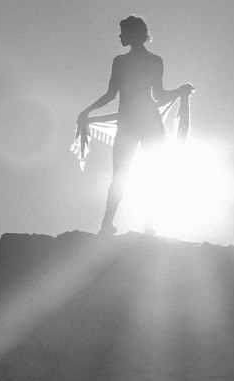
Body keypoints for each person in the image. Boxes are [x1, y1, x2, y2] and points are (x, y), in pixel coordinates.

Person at [76, 16, 194, 236]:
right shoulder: (153, 60)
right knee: (147, 173)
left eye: (123, 31)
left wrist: (87, 111)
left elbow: (112, 95)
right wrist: (179, 91)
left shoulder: (121, 62)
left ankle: (109, 227)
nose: (120, 35)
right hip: (146, 121)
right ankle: (140, 226)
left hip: (131, 123)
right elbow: (158, 94)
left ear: (134, 33)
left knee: (122, 175)